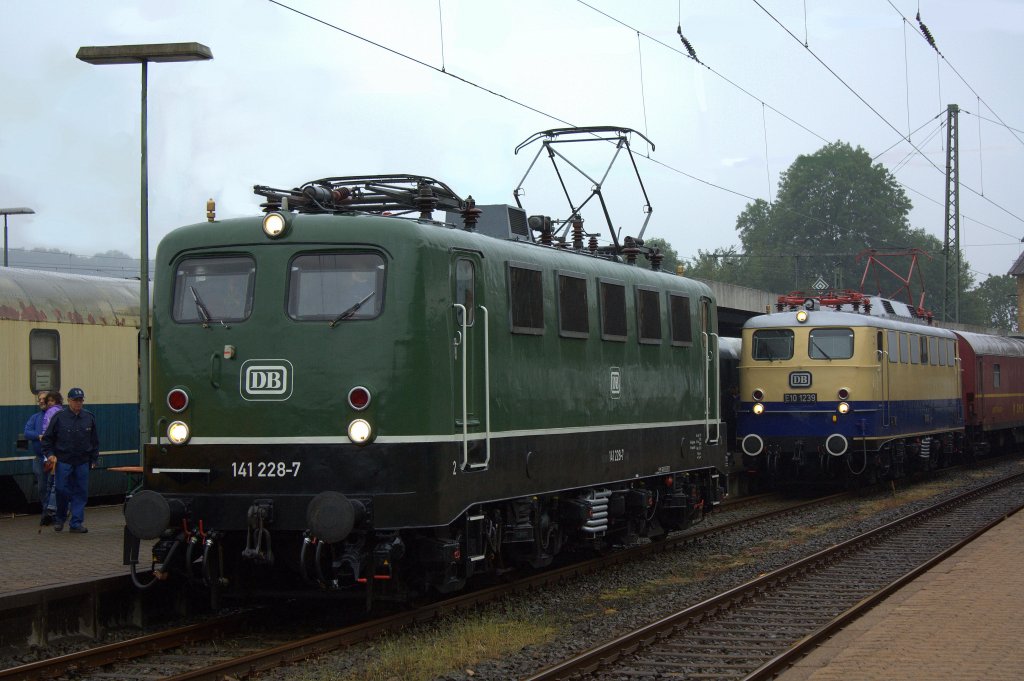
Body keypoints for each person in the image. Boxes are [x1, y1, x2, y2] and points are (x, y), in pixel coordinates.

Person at [41, 387, 99, 534]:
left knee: (81, 492)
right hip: (63, 460)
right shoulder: (59, 417)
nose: (78, 403)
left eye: (80, 400)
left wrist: (94, 458)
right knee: (61, 489)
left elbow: (94, 440)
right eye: (75, 400)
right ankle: (60, 518)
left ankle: (76, 523)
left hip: (82, 460)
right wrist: (50, 454)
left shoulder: (89, 417)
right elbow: (47, 439)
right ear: (68, 401)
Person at [23, 391, 56, 525]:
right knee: (42, 488)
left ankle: (54, 514)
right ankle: (46, 513)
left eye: (44, 399)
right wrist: (39, 436)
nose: (41, 401)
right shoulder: (35, 417)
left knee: (54, 487)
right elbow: (27, 432)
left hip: (53, 459)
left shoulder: (55, 416)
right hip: (40, 459)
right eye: (39, 399)